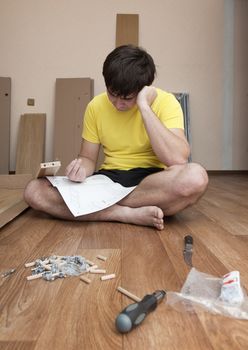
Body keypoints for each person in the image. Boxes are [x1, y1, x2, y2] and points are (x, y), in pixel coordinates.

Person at [24, 45, 208, 230]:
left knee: (196, 177)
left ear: (144, 88)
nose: (118, 104)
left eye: (127, 98)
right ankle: (122, 213)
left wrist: (144, 106)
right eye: (112, 94)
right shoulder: (95, 106)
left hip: (153, 181)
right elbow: (88, 158)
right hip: (110, 180)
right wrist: (80, 169)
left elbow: (177, 159)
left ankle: (94, 206)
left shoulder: (166, 102)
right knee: (34, 191)